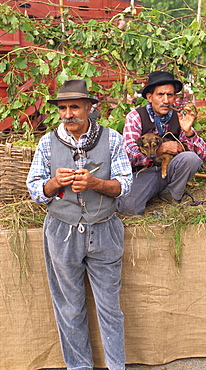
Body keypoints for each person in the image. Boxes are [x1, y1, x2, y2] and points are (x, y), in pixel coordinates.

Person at [26, 79, 133, 370]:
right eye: (62, 108)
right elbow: (35, 190)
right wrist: (53, 183)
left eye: (75, 107)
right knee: (70, 308)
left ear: (89, 108)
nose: (68, 114)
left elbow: (125, 184)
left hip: (104, 228)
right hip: (62, 230)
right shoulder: (47, 142)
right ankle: (79, 367)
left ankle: (116, 366)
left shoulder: (111, 139)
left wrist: (96, 183)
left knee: (110, 308)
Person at [116, 71, 206, 215]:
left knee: (191, 158)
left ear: (174, 98)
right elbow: (128, 155)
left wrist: (189, 133)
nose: (165, 100)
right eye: (160, 95)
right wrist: (161, 149)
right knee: (129, 207)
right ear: (150, 97)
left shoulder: (179, 118)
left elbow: (202, 154)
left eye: (169, 95)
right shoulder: (135, 117)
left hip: (171, 170)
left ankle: (171, 193)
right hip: (144, 173)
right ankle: (149, 191)